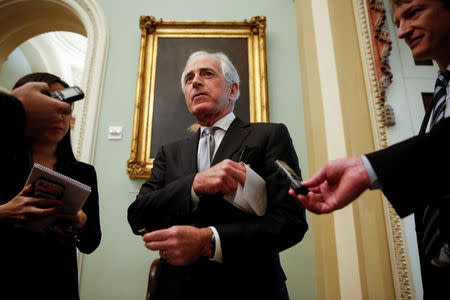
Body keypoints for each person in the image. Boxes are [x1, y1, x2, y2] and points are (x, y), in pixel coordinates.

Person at [290, 0, 450, 298]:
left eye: (413, 13)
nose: (401, 32)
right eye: (397, 20)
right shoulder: (441, 97)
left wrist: (364, 169)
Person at [128, 51, 307, 300]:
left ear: (232, 90)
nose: (196, 82)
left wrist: (210, 241)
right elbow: (137, 215)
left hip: (249, 288)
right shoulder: (169, 152)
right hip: (175, 289)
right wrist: (194, 184)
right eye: (189, 78)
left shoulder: (269, 136)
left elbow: (291, 223)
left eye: (207, 74)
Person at [0, 72, 101, 300]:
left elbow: (91, 243)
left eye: (67, 106)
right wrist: (5, 212)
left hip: (58, 283)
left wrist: (79, 224)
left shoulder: (83, 172)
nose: (61, 113)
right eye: (51, 103)